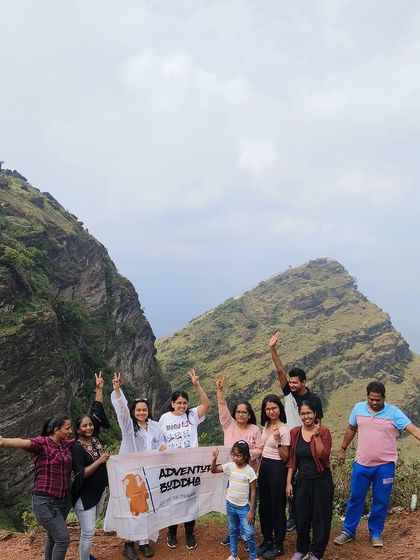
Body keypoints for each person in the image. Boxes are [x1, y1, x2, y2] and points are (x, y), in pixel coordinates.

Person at [334, 380, 420, 548]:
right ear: (367, 397)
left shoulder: (394, 413)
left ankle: (375, 533)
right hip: (362, 464)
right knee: (356, 498)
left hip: (385, 466)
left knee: (381, 500)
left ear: (384, 398)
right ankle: (348, 531)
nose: (374, 402)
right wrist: (343, 449)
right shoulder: (358, 408)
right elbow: (351, 429)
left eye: (378, 400)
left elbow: (414, 429)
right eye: (371, 399)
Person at [269, 331, 323, 531]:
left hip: (307, 442)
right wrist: (272, 349)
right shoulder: (288, 395)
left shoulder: (314, 400)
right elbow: (280, 371)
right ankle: (292, 515)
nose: (291, 385)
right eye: (289, 382)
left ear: (303, 382)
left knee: (306, 479)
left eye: (295, 382)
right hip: (291, 441)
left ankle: (307, 515)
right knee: (289, 478)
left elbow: (319, 423)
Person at [109, 371, 166, 560]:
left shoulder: (156, 426)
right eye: (138, 410)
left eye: (145, 410)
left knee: (147, 506)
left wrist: (163, 447)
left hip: (150, 474)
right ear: (133, 411)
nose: (141, 413)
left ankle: (144, 541)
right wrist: (117, 390)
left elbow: (161, 444)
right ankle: (128, 544)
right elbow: (122, 411)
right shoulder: (128, 427)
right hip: (131, 474)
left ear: (149, 411)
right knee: (131, 507)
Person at [0, 415, 74, 560]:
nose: (70, 431)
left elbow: (82, 440)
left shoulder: (66, 445)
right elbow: (23, 442)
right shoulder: (42, 443)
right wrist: (4, 442)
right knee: (63, 539)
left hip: (63, 500)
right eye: (67, 429)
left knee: (53, 537)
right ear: (56, 430)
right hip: (44, 501)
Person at [158, 368, 210, 550]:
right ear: (172, 404)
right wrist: (161, 447)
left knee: (189, 498)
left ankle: (189, 533)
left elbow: (206, 404)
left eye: (185, 403)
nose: (182, 406)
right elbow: (159, 440)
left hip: (190, 466)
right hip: (171, 466)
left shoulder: (191, 416)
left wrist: (197, 385)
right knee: (173, 498)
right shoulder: (164, 419)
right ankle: (172, 533)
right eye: (179, 403)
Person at [216, 373, 263, 548]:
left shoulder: (255, 429)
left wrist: (246, 453)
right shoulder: (229, 425)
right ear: (235, 414)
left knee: (250, 506)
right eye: (238, 412)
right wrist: (220, 390)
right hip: (233, 476)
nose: (241, 414)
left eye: (245, 412)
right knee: (233, 506)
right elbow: (222, 407)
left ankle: (247, 534)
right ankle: (233, 532)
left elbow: (259, 449)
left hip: (249, 476)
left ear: (250, 415)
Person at [286, 401, 333, 560]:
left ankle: (316, 552)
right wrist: (288, 482)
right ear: (299, 415)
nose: (306, 417)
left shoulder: (324, 431)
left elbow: (323, 456)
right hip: (303, 480)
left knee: (321, 517)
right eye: (303, 414)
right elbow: (293, 459)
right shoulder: (296, 433)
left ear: (315, 414)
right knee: (302, 516)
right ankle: (302, 549)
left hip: (321, 480)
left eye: (309, 413)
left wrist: (317, 437)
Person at [72, 372, 111, 560]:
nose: (89, 427)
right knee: (87, 532)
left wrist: (99, 388)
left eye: (90, 425)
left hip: (99, 491)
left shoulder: (95, 439)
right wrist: (100, 460)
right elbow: (81, 474)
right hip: (84, 496)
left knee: (92, 528)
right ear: (77, 430)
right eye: (84, 426)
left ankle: (87, 555)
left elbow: (97, 408)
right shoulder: (77, 448)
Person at [211, 441, 257, 560]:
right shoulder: (230, 466)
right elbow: (214, 470)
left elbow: (253, 491)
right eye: (234, 455)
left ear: (246, 456)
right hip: (230, 504)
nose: (235, 458)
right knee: (233, 529)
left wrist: (251, 510)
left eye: (238, 455)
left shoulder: (250, 471)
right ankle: (233, 555)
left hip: (244, 507)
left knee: (249, 533)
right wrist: (214, 460)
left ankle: (253, 556)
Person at [257, 394, 290, 560]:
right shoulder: (266, 424)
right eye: (268, 409)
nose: (271, 411)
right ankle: (267, 539)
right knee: (264, 506)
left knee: (277, 506)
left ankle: (279, 544)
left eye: (274, 408)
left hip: (277, 468)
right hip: (265, 467)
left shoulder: (284, 429)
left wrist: (277, 442)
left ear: (280, 408)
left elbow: (285, 457)